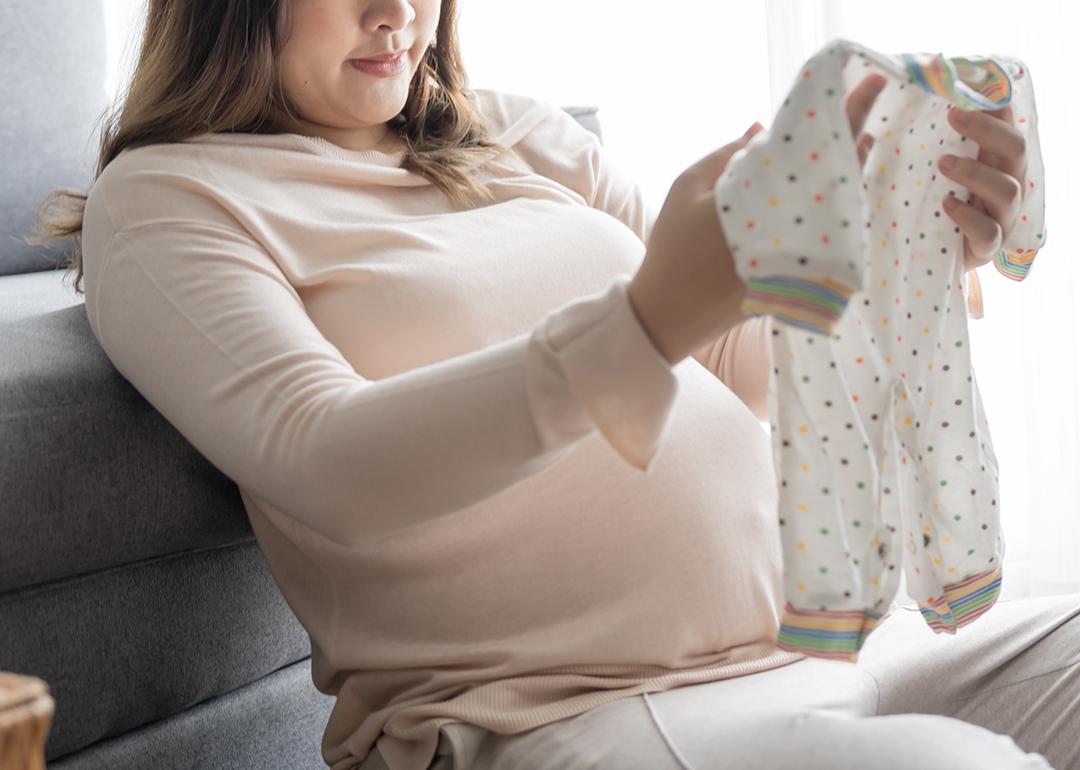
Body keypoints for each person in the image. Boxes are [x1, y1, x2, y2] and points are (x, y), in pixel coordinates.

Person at [29, 0, 1079, 768]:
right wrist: (646, 314)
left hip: (814, 645)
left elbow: (733, 361)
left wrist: (914, 254)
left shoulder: (508, 130)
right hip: (558, 714)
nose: (400, 13)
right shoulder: (172, 198)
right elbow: (323, 453)